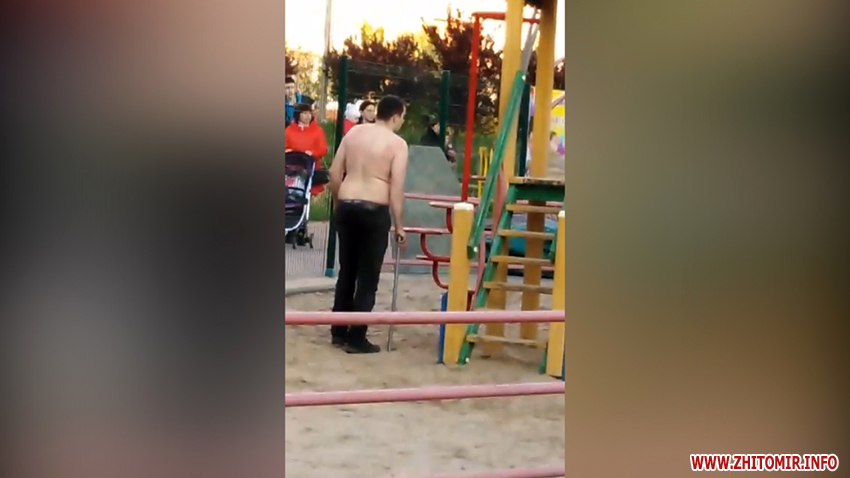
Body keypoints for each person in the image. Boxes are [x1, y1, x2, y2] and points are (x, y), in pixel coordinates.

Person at [327, 95, 409, 353]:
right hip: (374, 208)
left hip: (348, 203)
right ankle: (356, 336)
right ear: (395, 116)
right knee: (368, 275)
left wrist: (339, 201)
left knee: (347, 270)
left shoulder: (354, 134)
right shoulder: (397, 144)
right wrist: (399, 225)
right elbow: (396, 188)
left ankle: (338, 330)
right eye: (403, 117)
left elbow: (334, 173)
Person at [285, 102, 329, 195]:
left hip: (311, 167)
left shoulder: (318, 131)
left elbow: (323, 148)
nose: (308, 116)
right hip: (292, 170)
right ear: (298, 114)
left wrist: (313, 153)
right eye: (304, 113)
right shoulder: (288, 131)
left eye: (309, 113)